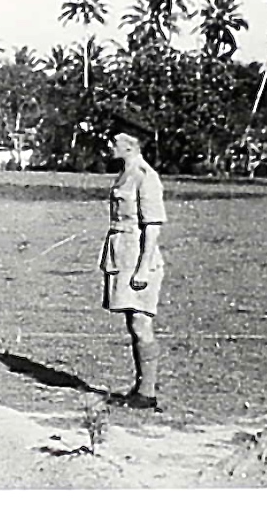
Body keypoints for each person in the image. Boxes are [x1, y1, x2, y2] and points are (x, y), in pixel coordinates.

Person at [99, 129, 168, 412]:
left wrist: (143, 268)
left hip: (139, 257)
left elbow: (152, 226)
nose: (110, 145)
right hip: (122, 255)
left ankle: (147, 392)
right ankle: (141, 389)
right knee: (133, 323)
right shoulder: (125, 174)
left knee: (141, 322)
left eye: (115, 141)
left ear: (130, 146)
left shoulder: (145, 176)